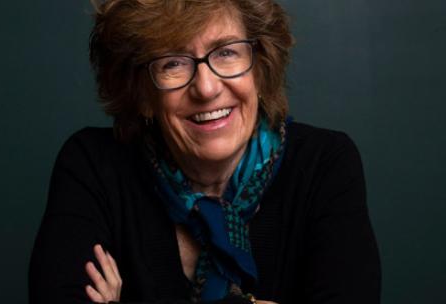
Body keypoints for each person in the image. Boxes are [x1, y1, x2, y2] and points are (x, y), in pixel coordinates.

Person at [29, 0, 381, 303]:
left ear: (259, 66)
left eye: (226, 52)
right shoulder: (93, 166)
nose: (206, 87)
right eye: (173, 62)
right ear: (142, 92)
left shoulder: (325, 165)